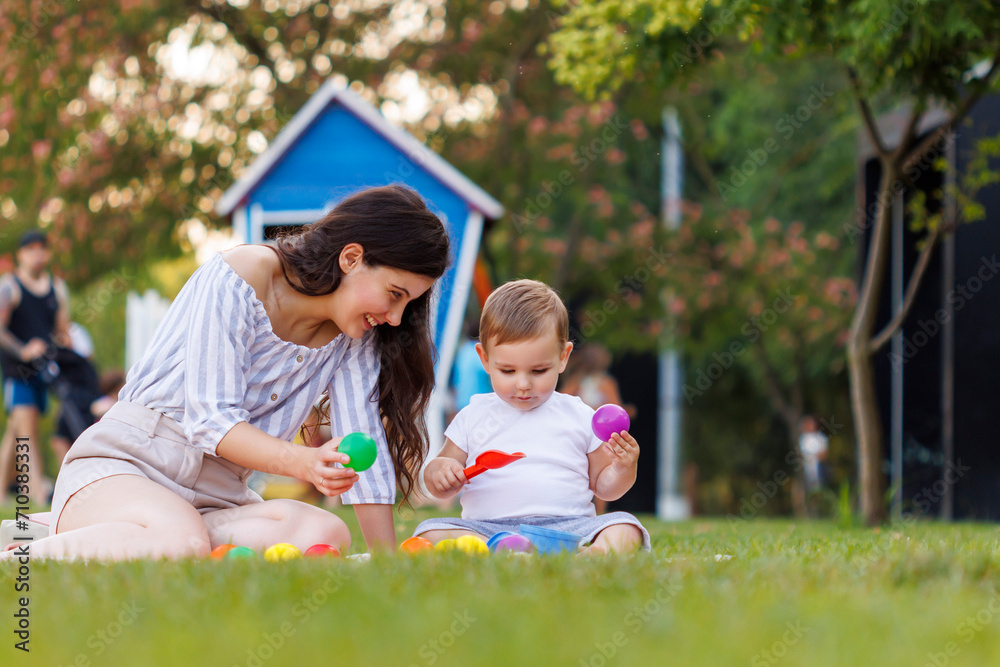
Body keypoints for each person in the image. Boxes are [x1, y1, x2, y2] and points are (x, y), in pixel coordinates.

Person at [2, 185, 450, 561]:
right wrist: (305, 462)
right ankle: (25, 553)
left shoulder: (355, 334)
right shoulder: (241, 276)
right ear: (351, 258)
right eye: (394, 294)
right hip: (129, 467)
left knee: (325, 533)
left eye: (407, 303)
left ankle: (110, 535)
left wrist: (387, 563)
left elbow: (362, 441)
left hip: (215, 499)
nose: (395, 318)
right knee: (180, 539)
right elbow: (210, 419)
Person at [414, 279, 649, 554]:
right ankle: (483, 547)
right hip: (487, 527)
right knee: (429, 530)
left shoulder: (579, 415)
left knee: (626, 526)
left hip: (569, 529)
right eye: (508, 371)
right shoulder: (473, 415)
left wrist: (623, 468)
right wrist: (439, 473)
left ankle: (590, 555)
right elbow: (439, 478)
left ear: (563, 356)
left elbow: (605, 488)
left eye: (538, 371)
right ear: (485, 359)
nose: (523, 384)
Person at [0, 229, 71, 505]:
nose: (36, 254)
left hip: (43, 371)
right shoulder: (10, 286)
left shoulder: (57, 288)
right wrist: (23, 350)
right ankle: (38, 498)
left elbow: (61, 331)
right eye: (30, 249)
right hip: (17, 372)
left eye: (41, 248)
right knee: (26, 434)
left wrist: (60, 343)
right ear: (21, 254)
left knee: (14, 435)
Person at [559, 343, 636, 515]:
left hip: (577, 433)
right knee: (600, 472)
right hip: (601, 435)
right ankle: (599, 512)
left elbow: (561, 401)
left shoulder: (575, 382)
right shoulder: (606, 383)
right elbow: (615, 407)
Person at [799, 415, 829, 494]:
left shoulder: (821, 437)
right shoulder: (804, 438)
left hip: (819, 467)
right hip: (808, 467)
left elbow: (823, 454)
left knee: (820, 488)